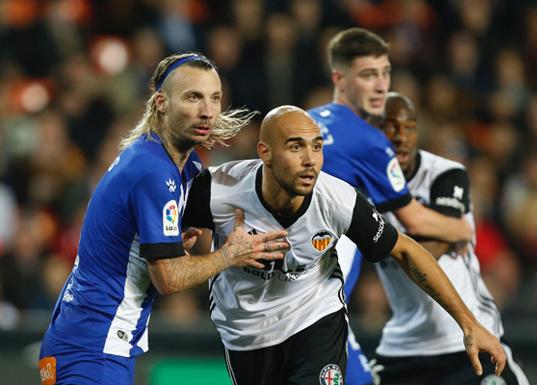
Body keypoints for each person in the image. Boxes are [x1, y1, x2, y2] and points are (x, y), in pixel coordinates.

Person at [182, 105, 506, 385]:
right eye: (296, 147)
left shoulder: (338, 200)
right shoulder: (216, 191)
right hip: (246, 332)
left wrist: (469, 323)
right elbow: (160, 252)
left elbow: (405, 251)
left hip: (315, 319)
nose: (310, 160)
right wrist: (220, 255)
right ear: (264, 152)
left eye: (317, 146)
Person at [38, 52, 290, 385]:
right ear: (161, 103)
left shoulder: (170, 162)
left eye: (215, 98)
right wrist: (232, 254)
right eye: (193, 97)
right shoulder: (155, 171)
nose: (207, 111)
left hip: (90, 340)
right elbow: (168, 279)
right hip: (92, 348)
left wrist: (168, 244)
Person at [307, 27, 473, 385]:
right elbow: (413, 218)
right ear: (339, 78)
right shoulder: (368, 141)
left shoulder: (305, 121)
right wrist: (461, 227)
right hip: (315, 309)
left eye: (385, 73)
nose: (381, 85)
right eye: (368, 75)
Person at [372, 92, 530, 385]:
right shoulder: (360, 185)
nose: (400, 136)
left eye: (409, 127)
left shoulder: (445, 174)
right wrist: (449, 229)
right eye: (390, 127)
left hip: (467, 339)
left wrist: (378, 237)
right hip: (403, 345)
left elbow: (426, 253)